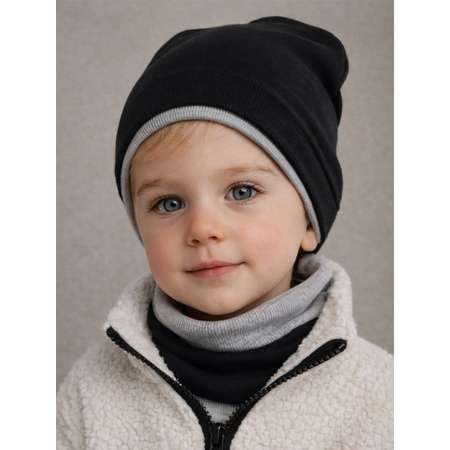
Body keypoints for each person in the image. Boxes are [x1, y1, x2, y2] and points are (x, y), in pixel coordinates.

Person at [57, 16, 393, 449]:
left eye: (242, 191)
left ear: (310, 220)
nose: (203, 229)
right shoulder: (91, 392)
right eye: (169, 203)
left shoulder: (383, 400)